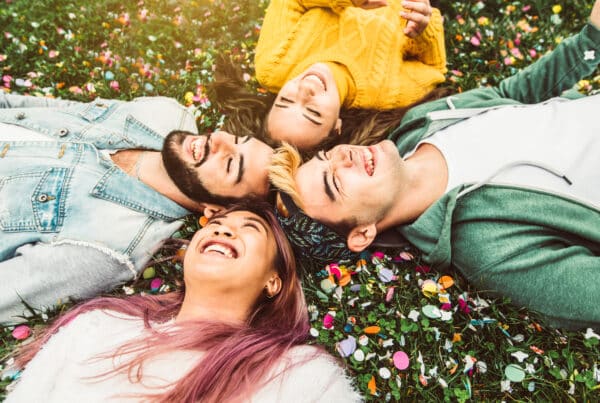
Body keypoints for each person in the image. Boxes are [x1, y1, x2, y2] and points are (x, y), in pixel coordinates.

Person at [268, 1, 600, 330]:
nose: (343, 157)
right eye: (334, 184)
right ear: (362, 233)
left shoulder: (420, 123)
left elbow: (512, 93)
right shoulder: (486, 247)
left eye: (326, 156)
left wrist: (592, 39)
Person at [5, 202, 361, 402]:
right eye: (217, 223)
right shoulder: (95, 326)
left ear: (274, 281)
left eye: (250, 228)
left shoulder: (299, 372)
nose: (222, 229)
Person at [0, 94, 273, 323]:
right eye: (238, 139)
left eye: (229, 164)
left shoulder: (112, 245)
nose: (219, 140)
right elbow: (50, 110)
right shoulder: (166, 113)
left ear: (214, 210)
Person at [215, 0, 446, 152]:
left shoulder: (273, 67)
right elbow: (434, 68)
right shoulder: (384, 93)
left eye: (285, 100)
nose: (306, 91)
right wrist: (423, 29)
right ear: (337, 126)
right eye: (314, 112)